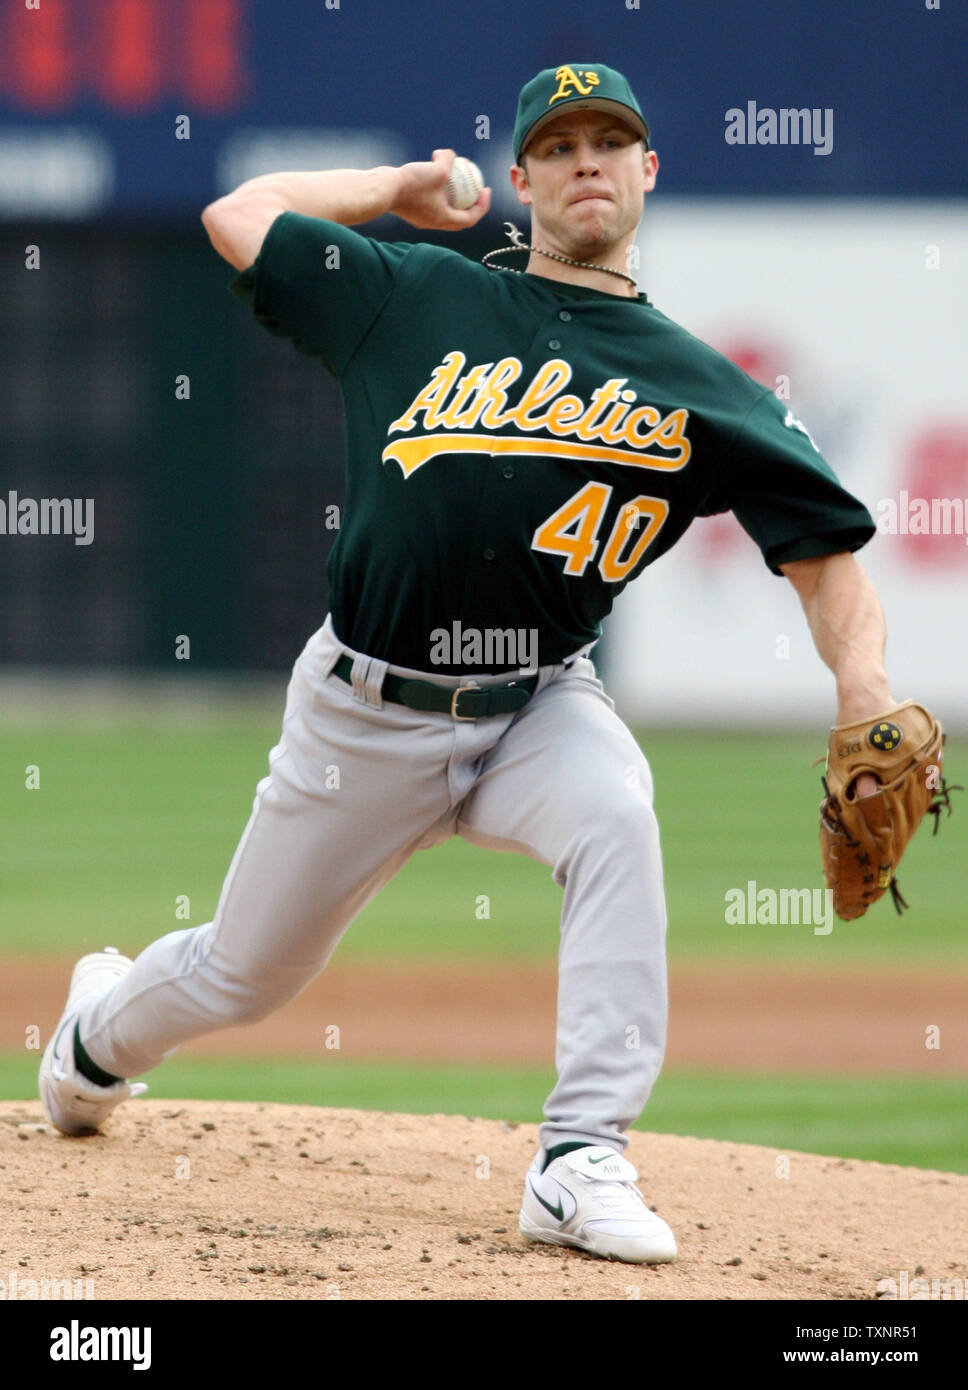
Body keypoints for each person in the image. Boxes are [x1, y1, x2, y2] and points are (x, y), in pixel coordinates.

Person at [40, 63, 891, 1265]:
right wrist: (390, 188)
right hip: (361, 714)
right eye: (558, 143)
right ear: (521, 176)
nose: (584, 159)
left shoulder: (701, 386)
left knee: (616, 812)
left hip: (536, 702)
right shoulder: (413, 294)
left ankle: (580, 1153)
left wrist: (862, 693)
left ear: (648, 170)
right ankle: (94, 1035)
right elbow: (239, 218)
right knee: (244, 973)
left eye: (610, 141)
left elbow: (827, 560)